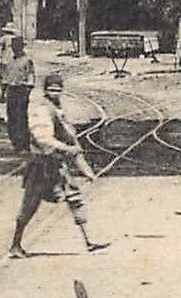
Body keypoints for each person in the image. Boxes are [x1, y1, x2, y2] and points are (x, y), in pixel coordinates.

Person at [10, 74, 109, 257]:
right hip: (41, 165)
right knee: (30, 206)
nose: (55, 93)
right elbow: (42, 138)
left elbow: (71, 140)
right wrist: (66, 149)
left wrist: (86, 170)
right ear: (45, 90)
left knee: (75, 198)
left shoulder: (58, 108)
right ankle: (16, 244)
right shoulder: (41, 109)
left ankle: (89, 240)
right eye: (51, 90)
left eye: (58, 90)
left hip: (57, 164)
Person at [1, 34, 36, 154]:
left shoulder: (27, 60)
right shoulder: (10, 61)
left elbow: (31, 76)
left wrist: (28, 89)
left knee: (21, 118)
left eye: (18, 46)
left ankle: (24, 145)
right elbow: (5, 78)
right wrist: (2, 93)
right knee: (11, 118)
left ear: (22, 47)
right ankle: (16, 143)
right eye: (14, 47)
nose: (16, 49)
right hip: (11, 90)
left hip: (21, 90)